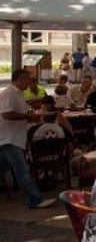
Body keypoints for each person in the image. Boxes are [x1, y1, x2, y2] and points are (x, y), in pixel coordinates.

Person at [0, 69, 55, 209]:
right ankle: (35, 199)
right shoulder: (8, 93)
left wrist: (30, 115)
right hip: (9, 138)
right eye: (28, 79)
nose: (29, 82)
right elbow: (6, 114)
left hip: (15, 137)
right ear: (20, 79)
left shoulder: (19, 94)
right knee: (22, 169)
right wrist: (28, 117)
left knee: (3, 167)